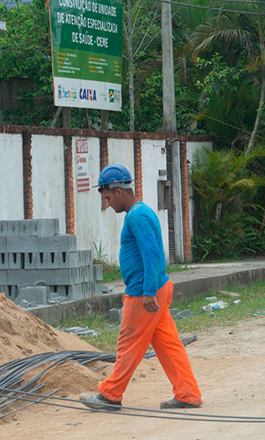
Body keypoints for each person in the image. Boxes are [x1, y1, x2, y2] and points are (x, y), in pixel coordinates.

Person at [79, 164, 203, 411]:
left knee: (129, 344)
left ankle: (110, 395)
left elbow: (151, 253)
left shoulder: (136, 216)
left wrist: (147, 291)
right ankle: (188, 394)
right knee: (168, 345)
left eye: (107, 198)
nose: (107, 204)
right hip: (158, 287)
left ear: (118, 192)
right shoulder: (142, 212)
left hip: (144, 293)